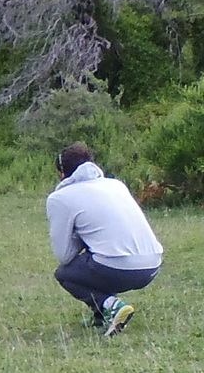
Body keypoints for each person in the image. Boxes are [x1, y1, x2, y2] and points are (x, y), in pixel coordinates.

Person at [46, 143, 163, 336]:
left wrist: (80, 236)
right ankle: (100, 316)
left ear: (62, 173)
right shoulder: (116, 184)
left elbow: (64, 255)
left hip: (119, 269)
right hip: (152, 266)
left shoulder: (60, 197)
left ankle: (112, 306)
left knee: (65, 273)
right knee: (100, 253)